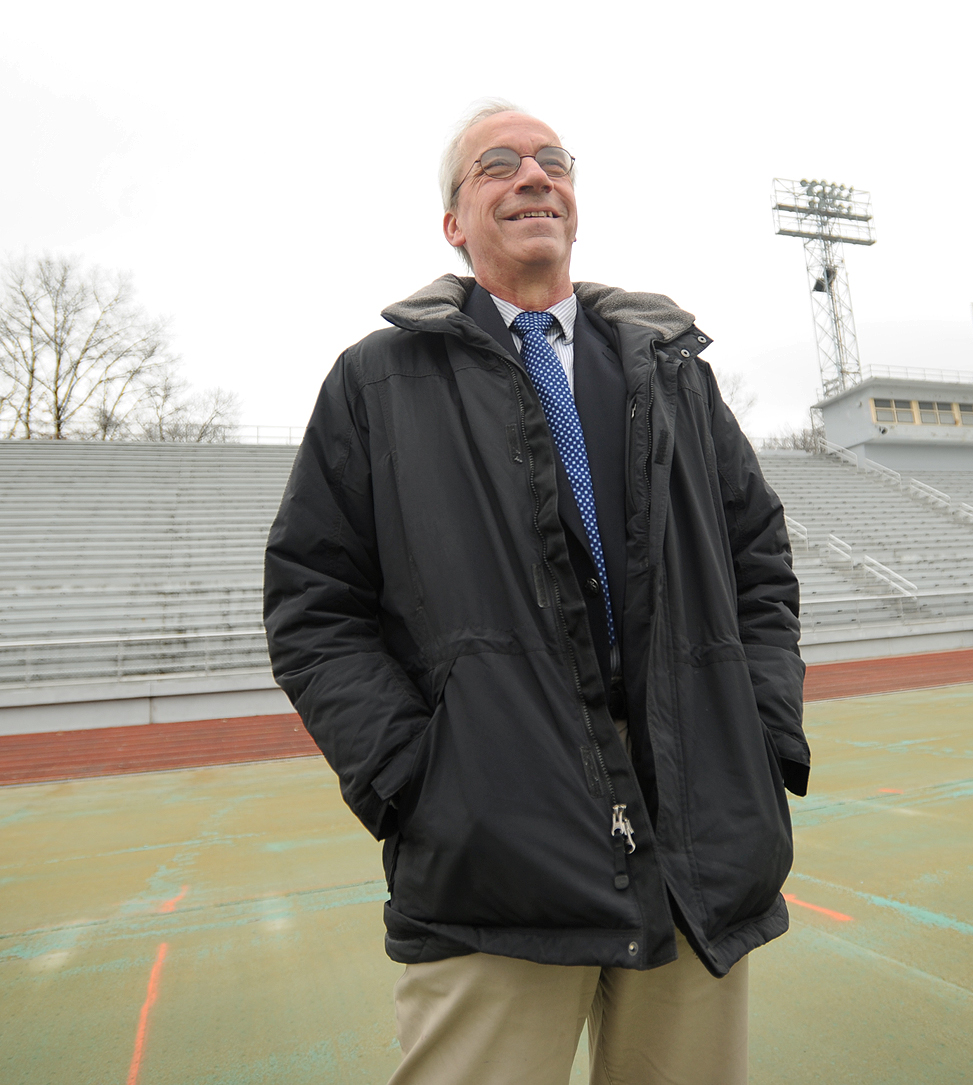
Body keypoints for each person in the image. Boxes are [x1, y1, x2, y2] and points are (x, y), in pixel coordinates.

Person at [263, 99, 809, 1085]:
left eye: (552, 161)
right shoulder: (377, 383)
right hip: (492, 868)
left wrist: (761, 728)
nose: (533, 176)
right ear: (453, 222)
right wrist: (419, 778)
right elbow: (313, 601)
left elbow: (758, 558)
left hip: (694, 856)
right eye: (497, 165)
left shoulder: (674, 372)